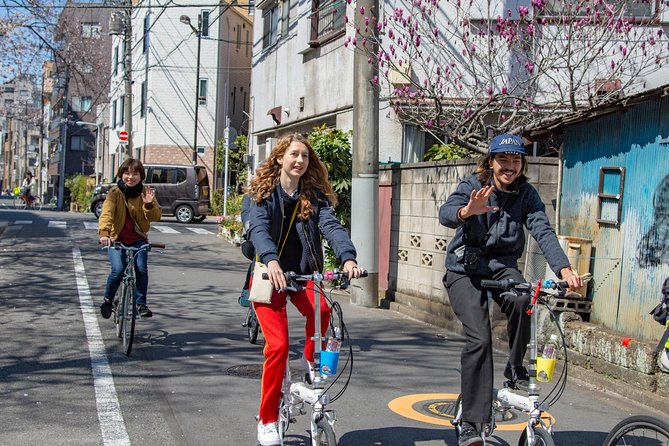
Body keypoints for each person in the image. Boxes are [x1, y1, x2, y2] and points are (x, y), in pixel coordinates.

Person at [439, 134, 583, 446]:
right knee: (479, 338)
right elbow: (446, 213)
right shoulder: (473, 185)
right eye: (503, 159)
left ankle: (515, 367)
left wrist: (564, 268)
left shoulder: (526, 194)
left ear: (522, 164)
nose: (510, 166)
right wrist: (467, 211)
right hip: (464, 270)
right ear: (490, 162)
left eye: (516, 160)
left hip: (503, 267)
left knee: (523, 298)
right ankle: (471, 424)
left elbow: (542, 229)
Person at [247, 133, 365, 446]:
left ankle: (312, 362)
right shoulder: (263, 193)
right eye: (294, 154)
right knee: (278, 347)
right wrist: (270, 260)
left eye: (305, 156)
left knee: (325, 309)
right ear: (280, 157)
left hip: (300, 276)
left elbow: (331, 227)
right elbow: (258, 228)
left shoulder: (312, 196)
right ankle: (268, 418)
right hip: (268, 278)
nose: (300, 161)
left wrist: (348, 257)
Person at [98, 158, 161, 319]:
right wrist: (104, 234)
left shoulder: (145, 193)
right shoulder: (114, 194)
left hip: (138, 239)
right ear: (121, 174)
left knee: (141, 268)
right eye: (127, 173)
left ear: (141, 176)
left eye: (135, 174)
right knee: (118, 270)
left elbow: (156, 216)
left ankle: (141, 304)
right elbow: (107, 215)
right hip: (116, 239)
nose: (130, 177)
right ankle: (108, 300)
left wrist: (148, 204)